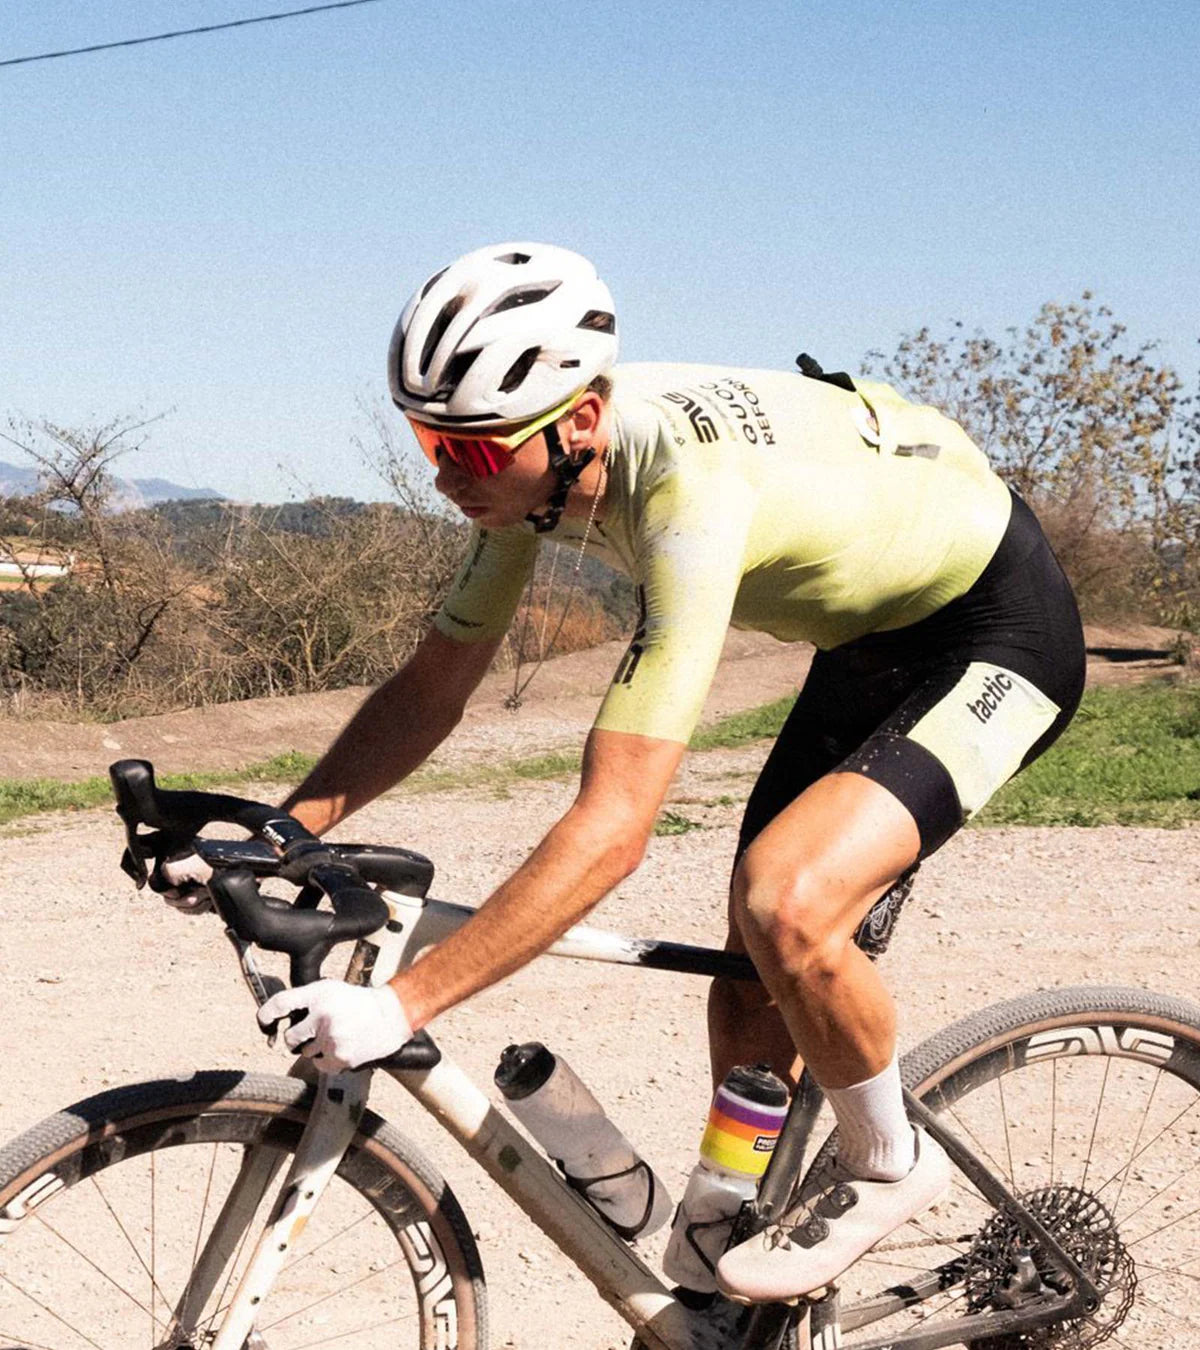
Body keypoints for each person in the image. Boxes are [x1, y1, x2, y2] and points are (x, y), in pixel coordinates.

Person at [247, 241, 1085, 1302]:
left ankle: (889, 1164)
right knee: (751, 977)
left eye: (470, 449)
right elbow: (433, 686)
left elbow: (615, 827)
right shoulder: (530, 481)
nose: (445, 474)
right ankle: (723, 1219)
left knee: (788, 902)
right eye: (429, 440)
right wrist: (276, 832)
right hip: (870, 642)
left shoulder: (686, 491)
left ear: (579, 422)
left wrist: (405, 1004)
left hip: (995, 633)